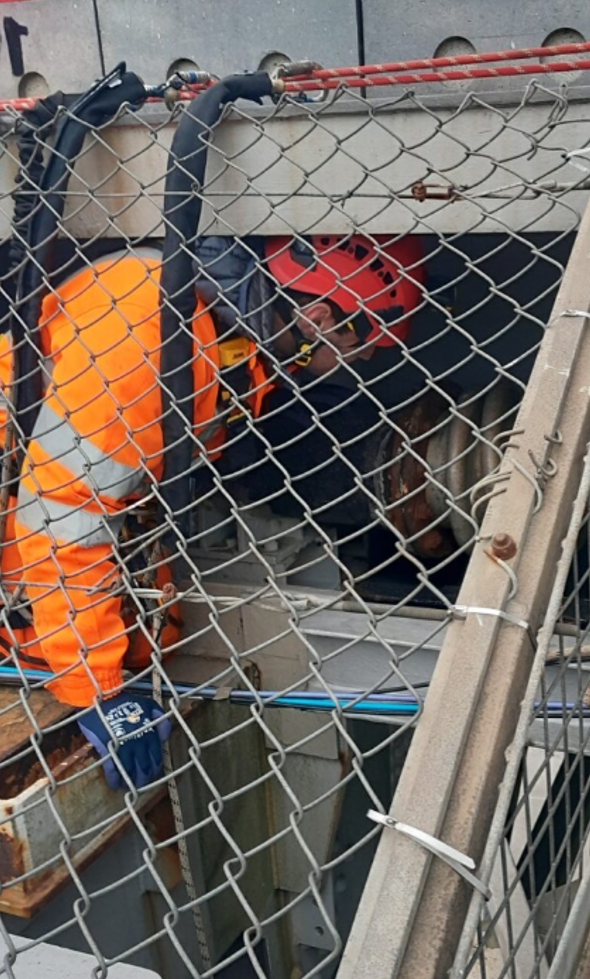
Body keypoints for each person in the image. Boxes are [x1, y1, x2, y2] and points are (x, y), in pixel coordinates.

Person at [0, 232, 425, 788]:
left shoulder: (240, 346)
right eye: (364, 342)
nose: (366, 357)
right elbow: (62, 518)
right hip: (37, 530)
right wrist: (99, 693)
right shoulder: (148, 336)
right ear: (320, 315)